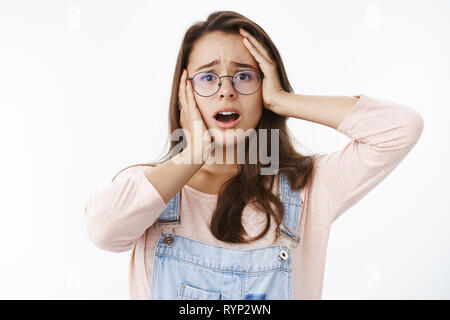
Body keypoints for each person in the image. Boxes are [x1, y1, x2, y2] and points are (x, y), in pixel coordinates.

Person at [84, 10, 424, 300]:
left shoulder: (307, 188)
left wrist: (283, 101)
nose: (227, 90)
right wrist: (194, 154)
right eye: (208, 77)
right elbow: (102, 231)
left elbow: (400, 128)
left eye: (244, 75)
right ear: (184, 93)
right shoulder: (152, 191)